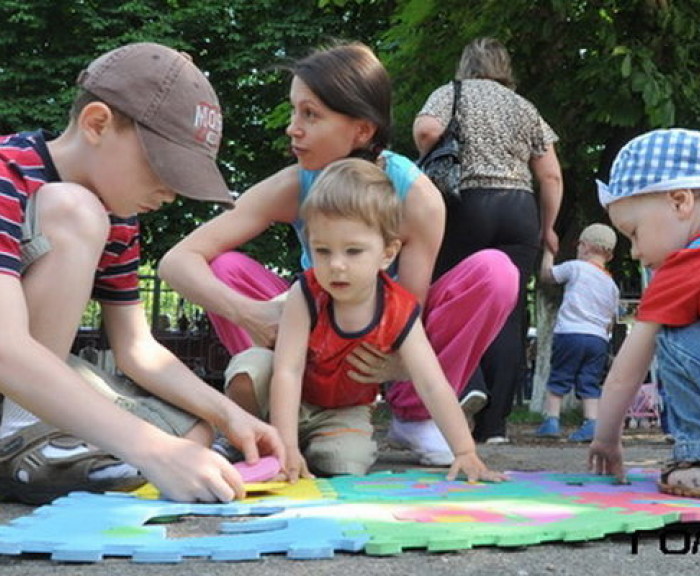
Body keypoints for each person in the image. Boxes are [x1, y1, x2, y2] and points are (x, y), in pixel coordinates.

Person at [159, 42, 518, 467]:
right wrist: (248, 312)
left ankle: (415, 415)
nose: (293, 127)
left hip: (376, 345)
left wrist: (396, 368)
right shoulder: (293, 184)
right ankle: (272, 412)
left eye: (310, 114)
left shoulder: (418, 197)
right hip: (304, 345)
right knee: (225, 267)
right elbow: (176, 261)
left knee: (496, 271)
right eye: (293, 111)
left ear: (362, 130)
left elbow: (411, 309)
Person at [0, 42, 284, 505]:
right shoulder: (7, 174)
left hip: (31, 373)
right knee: (74, 209)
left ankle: (32, 435)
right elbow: (6, 348)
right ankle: (17, 435)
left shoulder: (121, 215)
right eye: (164, 167)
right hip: (12, 369)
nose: (172, 192)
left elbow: (136, 348)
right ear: (97, 124)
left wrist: (229, 415)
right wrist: (151, 450)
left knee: (194, 436)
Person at [251, 157, 502, 482]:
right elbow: (287, 370)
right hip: (287, 402)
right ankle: (250, 437)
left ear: (388, 253)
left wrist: (465, 452)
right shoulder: (307, 293)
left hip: (342, 411)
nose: (336, 265)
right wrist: (285, 444)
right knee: (251, 367)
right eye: (323, 251)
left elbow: (432, 382)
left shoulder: (398, 308)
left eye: (353, 251)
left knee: (345, 463)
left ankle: (298, 445)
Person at [589, 128, 700, 502]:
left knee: (671, 334)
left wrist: (606, 440)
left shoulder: (689, 265)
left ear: (680, 201)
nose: (635, 251)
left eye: (633, 233)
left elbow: (626, 374)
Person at [413, 37, 563, 443]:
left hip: (465, 205)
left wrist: (437, 154)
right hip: (519, 211)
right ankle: (495, 426)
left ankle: (466, 386)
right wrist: (547, 228)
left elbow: (426, 129)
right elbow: (549, 174)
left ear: (466, 63)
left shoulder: (452, 92)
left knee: (449, 296)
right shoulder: (525, 107)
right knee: (508, 315)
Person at [535, 223, 620, 442]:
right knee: (589, 381)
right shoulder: (611, 284)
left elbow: (547, 276)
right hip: (598, 339)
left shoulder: (575, 267)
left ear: (585, 246)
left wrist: (548, 252)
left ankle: (551, 421)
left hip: (570, 333)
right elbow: (611, 319)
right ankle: (591, 423)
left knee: (560, 377)